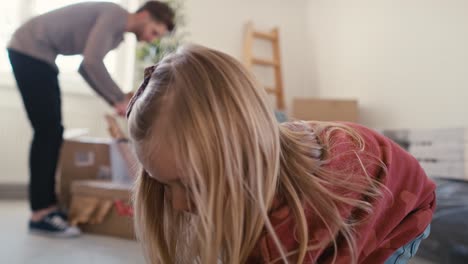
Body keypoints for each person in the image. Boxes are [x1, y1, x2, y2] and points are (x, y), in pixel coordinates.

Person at [127, 45, 436, 264]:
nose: (178, 204)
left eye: (192, 184)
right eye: (165, 184)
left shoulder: (286, 237)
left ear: (246, 158)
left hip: (404, 209)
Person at [7, 1, 175, 237]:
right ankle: (41, 213)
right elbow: (91, 62)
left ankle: (48, 208)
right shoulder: (116, 16)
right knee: (48, 131)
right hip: (30, 49)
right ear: (145, 15)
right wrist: (119, 99)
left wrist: (116, 100)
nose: (150, 39)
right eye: (154, 32)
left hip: (38, 54)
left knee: (50, 131)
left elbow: (86, 69)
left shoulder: (116, 31)